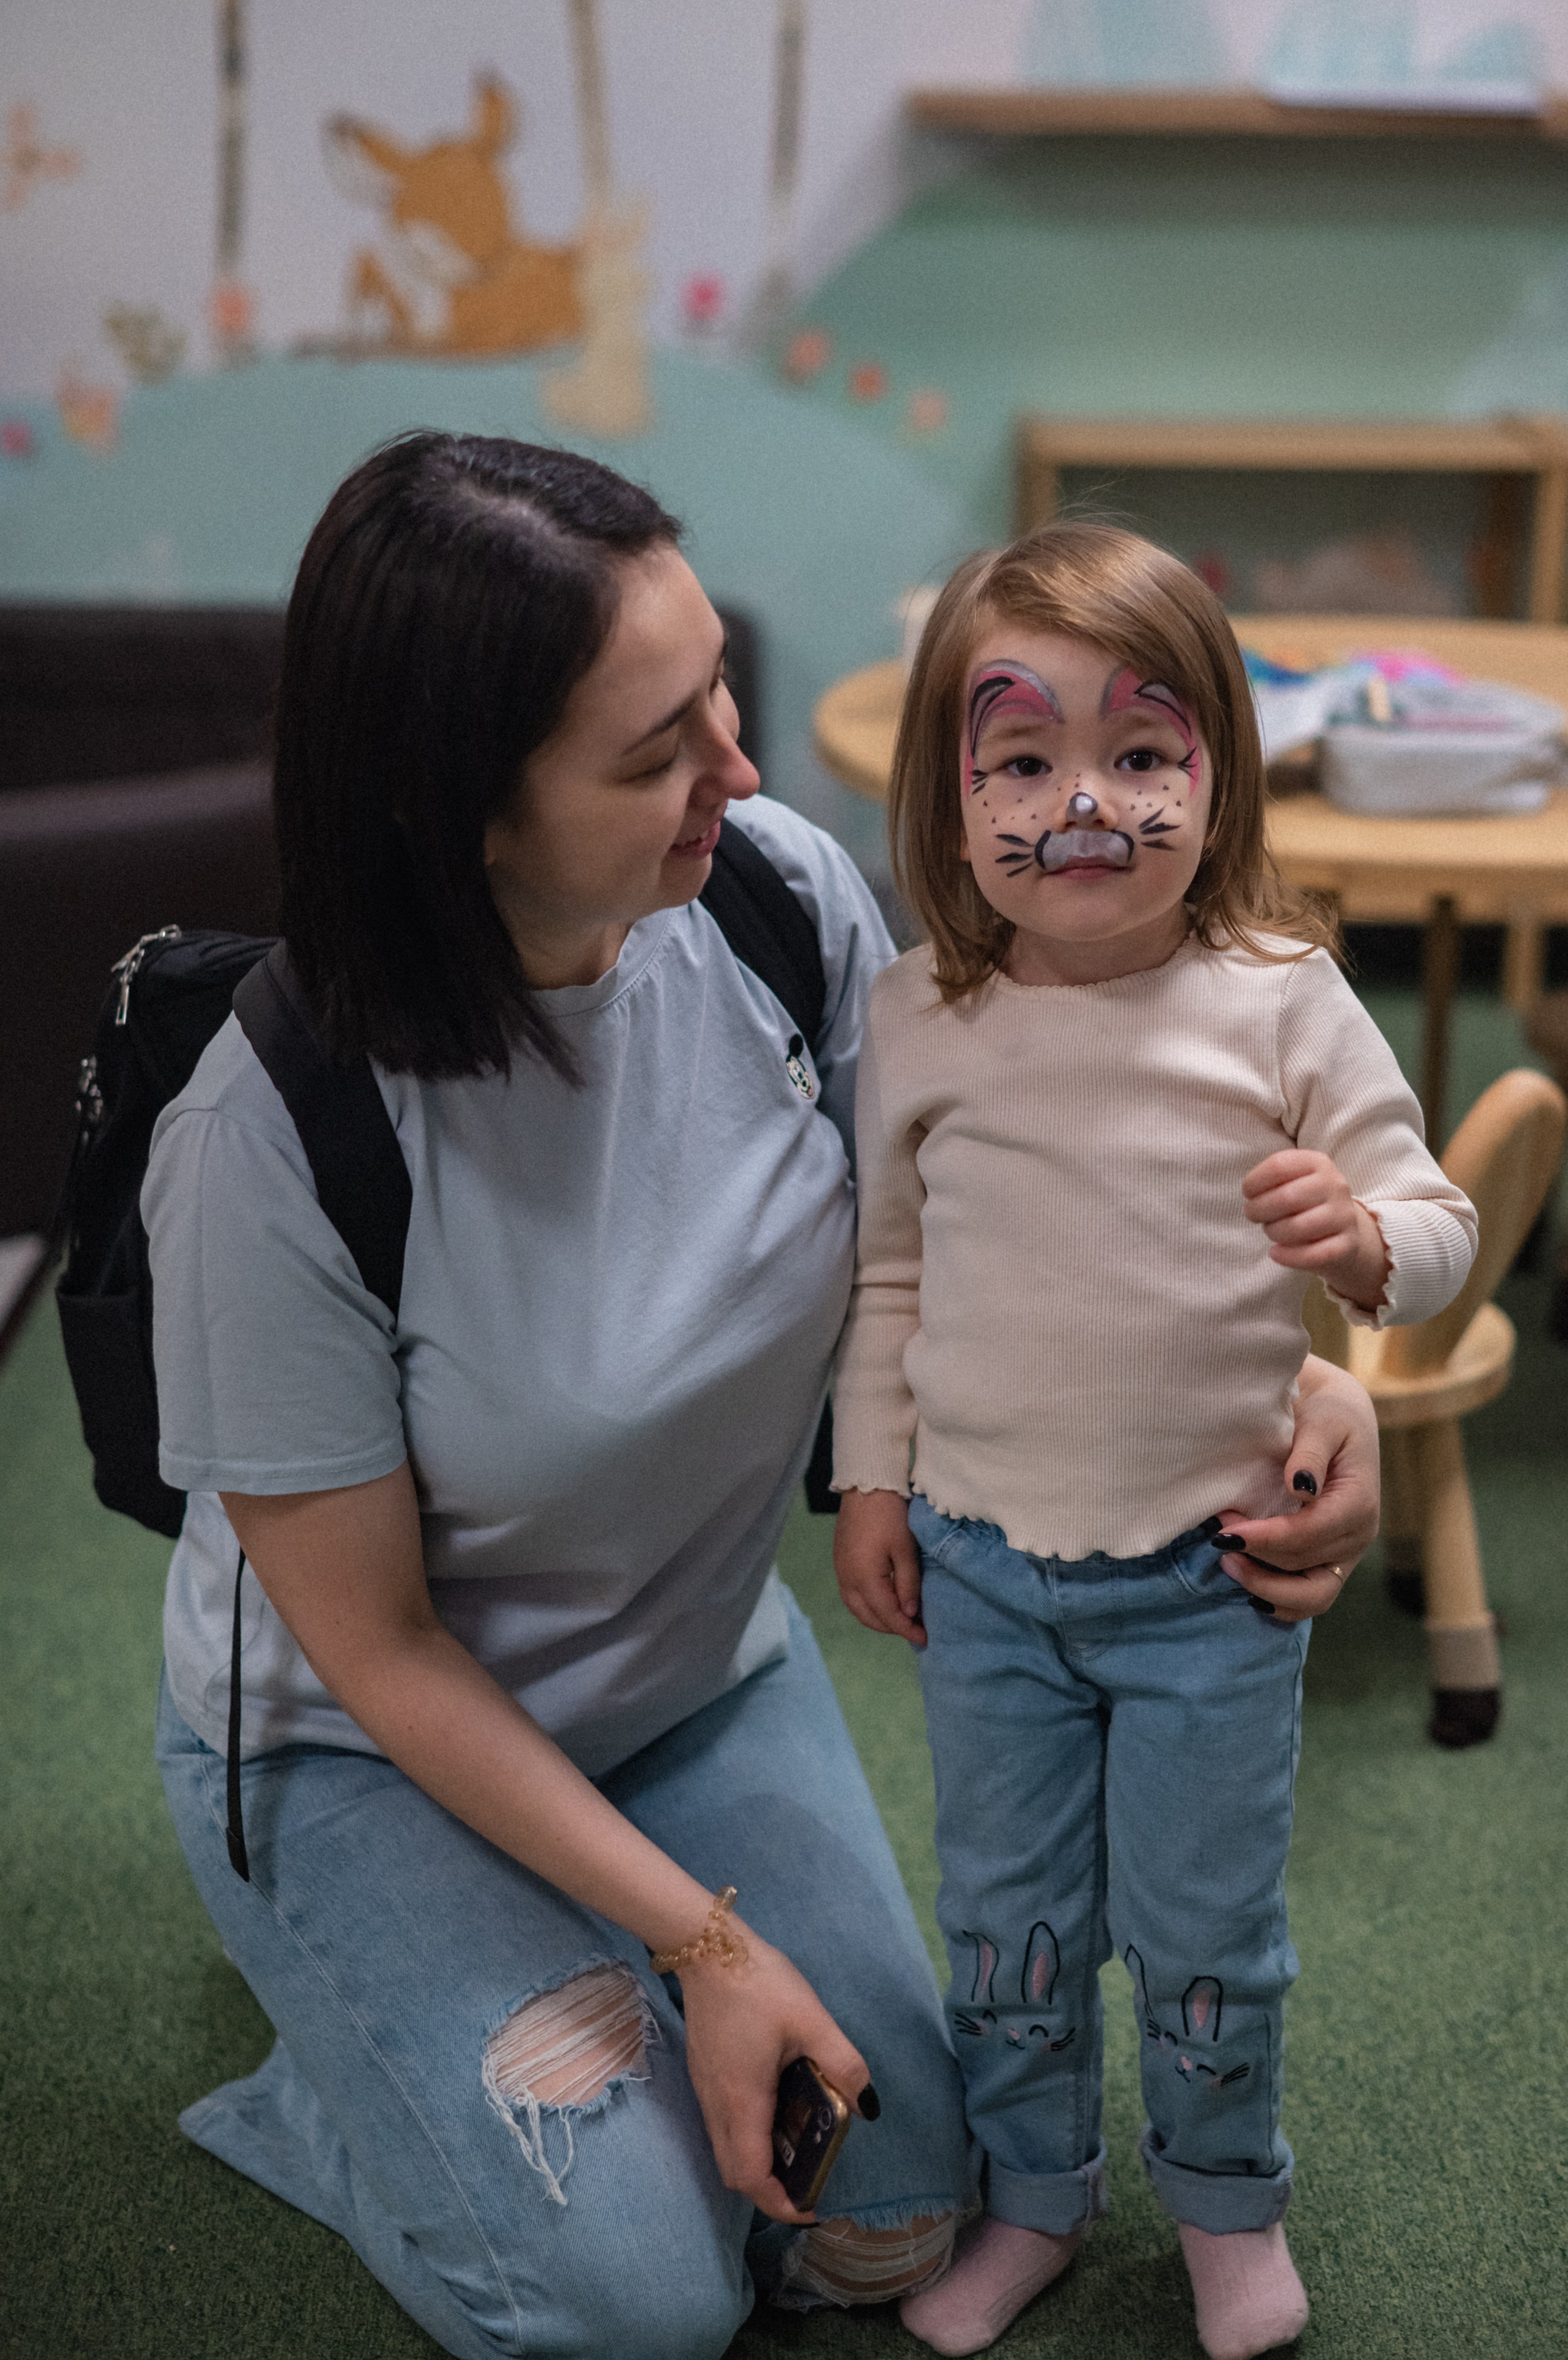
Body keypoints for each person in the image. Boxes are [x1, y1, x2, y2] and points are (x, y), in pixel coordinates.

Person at [146, 440, 1382, 2360]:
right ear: (456, 809)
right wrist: (707, 1945)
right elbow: (379, 1653)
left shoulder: (771, 902)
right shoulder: (271, 1138)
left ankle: (554, 1999)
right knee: (639, 2301)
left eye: (716, 688)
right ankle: (347, 2078)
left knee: (900, 2206)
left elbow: (1017, 1229)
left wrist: (1312, 1386)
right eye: (657, 753)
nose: (738, 764)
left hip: (694, 1675)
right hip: (368, 1755)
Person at [831, 522, 1476, 2360]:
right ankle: (1035, 2200)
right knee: (1007, 1928)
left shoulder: (1279, 990)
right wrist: (871, 1477)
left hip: (1211, 1583)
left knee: (1207, 1934)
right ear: (949, 795)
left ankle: (1224, 2208)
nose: (1086, 806)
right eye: (1023, 760)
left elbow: (1435, 1220)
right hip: (985, 1574)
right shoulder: (920, 1014)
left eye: (1141, 751)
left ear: (1219, 774)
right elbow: (890, 1272)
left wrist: (1365, 1243)